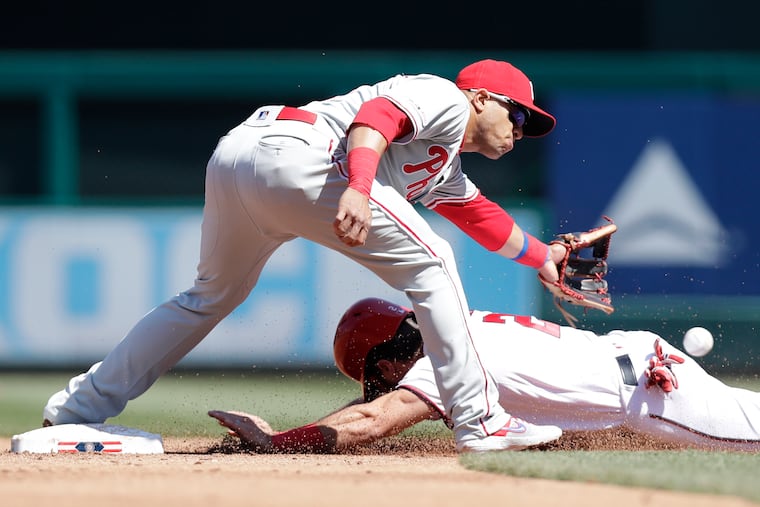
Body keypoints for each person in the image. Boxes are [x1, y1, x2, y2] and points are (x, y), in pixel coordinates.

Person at [42, 59, 569, 452]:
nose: (520, 131)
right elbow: (376, 116)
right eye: (519, 115)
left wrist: (544, 257)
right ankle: (481, 421)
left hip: (241, 158)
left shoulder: (443, 164)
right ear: (480, 97)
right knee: (434, 263)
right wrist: (360, 186)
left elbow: (481, 216)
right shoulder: (446, 98)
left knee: (207, 297)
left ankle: (76, 409)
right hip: (305, 156)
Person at [209, 297, 760, 453]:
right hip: (634, 362)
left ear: (391, 352)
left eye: (380, 371)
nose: (387, 382)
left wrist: (278, 441)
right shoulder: (458, 321)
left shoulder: (449, 358)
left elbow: (372, 421)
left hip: (651, 389)